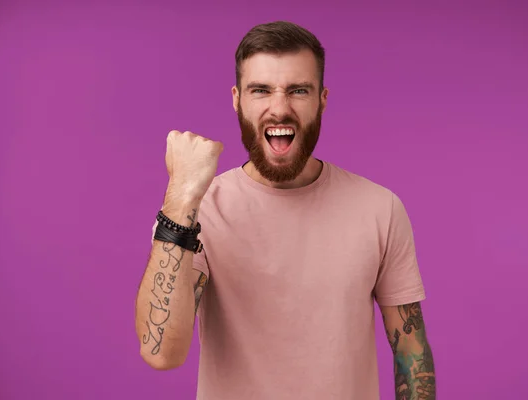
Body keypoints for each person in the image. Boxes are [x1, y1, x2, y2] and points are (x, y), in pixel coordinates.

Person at [135, 20, 436, 400]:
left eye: (298, 90)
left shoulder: (380, 208)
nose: (280, 108)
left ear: (321, 99)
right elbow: (160, 352)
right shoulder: (196, 211)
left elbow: (412, 356)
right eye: (261, 90)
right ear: (237, 99)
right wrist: (180, 196)